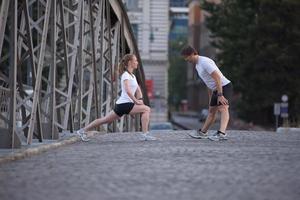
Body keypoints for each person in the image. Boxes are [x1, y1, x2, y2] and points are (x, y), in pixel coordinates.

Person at [76, 54, 156, 141]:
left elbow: (138, 91)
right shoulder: (126, 75)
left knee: (104, 120)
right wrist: (136, 101)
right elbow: (128, 90)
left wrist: (140, 100)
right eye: (135, 61)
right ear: (130, 63)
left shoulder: (133, 76)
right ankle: (145, 135)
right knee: (146, 109)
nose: (137, 62)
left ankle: (82, 131)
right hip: (124, 104)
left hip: (122, 105)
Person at [181, 45, 233, 141]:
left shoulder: (205, 62)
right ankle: (203, 132)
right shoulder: (197, 66)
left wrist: (220, 95)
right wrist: (211, 98)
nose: (186, 59)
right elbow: (207, 82)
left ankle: (221, 133)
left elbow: (217, 77)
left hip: (224, 86)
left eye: (186, 57)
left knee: (223, 108)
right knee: (211, 111)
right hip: (215, 89)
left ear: (193, 54)